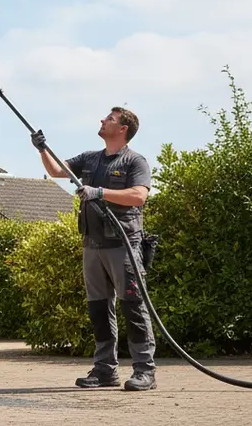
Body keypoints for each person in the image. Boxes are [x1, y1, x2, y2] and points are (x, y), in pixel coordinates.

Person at [30, 107, 157, 392]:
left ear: (123, 129)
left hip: (123, 244)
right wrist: (42, 148)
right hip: (92, 244)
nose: (102, 120)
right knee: (99, 310)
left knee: (133, 307)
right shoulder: (90, 158)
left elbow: (139, 196)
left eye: (109, 119)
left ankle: (144, 371)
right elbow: (55, 170)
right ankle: (104, 371)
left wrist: (99, 192)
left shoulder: (135, 161)